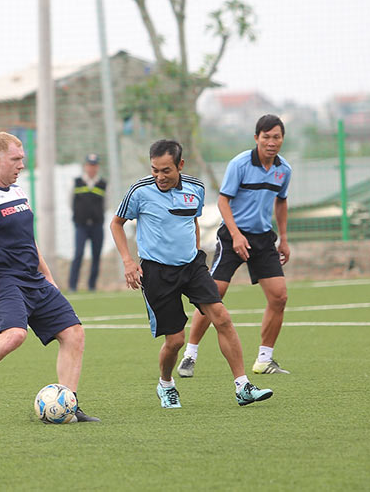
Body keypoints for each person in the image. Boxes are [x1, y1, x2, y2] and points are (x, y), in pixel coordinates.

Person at [0, 132, 99, 422]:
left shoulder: (18, 193)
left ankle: (68, 407)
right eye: (16, 159)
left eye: (22, 159)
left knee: (74, 334)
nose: (21, 165)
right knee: (14, 334)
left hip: (33, 279)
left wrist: (47, 275)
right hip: (3, 280)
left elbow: (29, 240)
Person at [110, 139, 273, 408]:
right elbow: (116, 223)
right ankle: (165, 384)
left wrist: (197, 254)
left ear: (180, 165)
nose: (160, 176)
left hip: (192, 267)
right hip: (156, 272)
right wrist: (128, 261)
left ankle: (242, 386)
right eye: (155, 170)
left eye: (166, 170)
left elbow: (192, 221)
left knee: (222, 318)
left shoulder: (196, 188)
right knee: (175, 341)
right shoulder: (140, 190)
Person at [177, 114, 292, 378]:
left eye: (276, 137)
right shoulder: (240, 164)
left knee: (279, 296)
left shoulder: (283, 169)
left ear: (282, 139)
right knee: (212, 295)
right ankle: (190, 355)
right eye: (266, 137)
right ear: (256, 138)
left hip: (263, 238)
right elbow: (223, 202)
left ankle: (265, 359)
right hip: (232, 236)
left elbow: (281, 202)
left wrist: (283, 238)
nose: (271, 142)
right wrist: (236, 235)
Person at [68, 153, 107, 292]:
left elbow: (106, 204)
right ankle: (72, 286)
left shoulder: (102, 184)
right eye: (90, 165)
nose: (92, 168)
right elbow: (70, 201)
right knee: (78, 254)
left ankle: (92, 286)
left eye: (94, 165)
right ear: (85, 166)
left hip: (97, 225)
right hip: (81, 225)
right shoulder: (77, 182)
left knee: (96, 256)